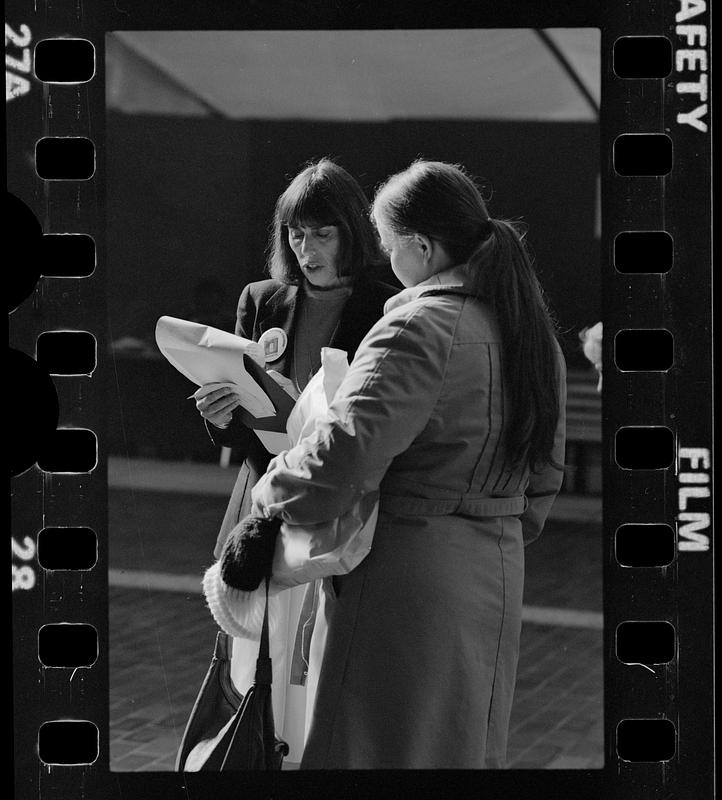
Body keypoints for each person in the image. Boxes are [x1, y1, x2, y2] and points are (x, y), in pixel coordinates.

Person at [247, 160, 567, 768]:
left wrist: (269, 494)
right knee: (464, 749)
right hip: (495, 570)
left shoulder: (418, 325)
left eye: (391, 246)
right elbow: (544, 475)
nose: (388, 261)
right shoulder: (532, 332)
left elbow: (340, 459)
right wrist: (492, 528)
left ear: (420, 247)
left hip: (401, 572)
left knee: (371, 748)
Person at [191, 158, 397, 764]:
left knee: (327, 644)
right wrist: (220, 411)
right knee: (255, 645)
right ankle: (259, 749)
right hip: (264, 493)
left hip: (339, 498)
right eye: (295, 234)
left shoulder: (389, 305)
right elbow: (243, 419)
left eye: (322, 234)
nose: (306, 249)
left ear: (352, 234)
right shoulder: (261, 300)